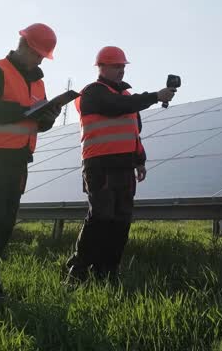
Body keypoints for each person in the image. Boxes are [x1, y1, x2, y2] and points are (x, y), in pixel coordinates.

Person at [0, 22, 68, 308]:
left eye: (45, 56)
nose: (41, 59)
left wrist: (47, 117)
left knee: (4, 226)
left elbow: (37, 124)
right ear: (24, 46)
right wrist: (28, 112)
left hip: (18, 161)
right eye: (38, 53)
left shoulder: (39, 82)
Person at [66, 45, 177, 282]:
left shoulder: (127, 97)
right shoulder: (93, 93)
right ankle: (79, 270)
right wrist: (155, 96)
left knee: (121, 221)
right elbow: (115, 107)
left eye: (122, 66)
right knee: (100, 218)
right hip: (100, 166)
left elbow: (133, 132)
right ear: (102, 67)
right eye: (116, 66)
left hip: (125, 167)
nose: (121, 71)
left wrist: (140, 160)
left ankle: (108, 272)